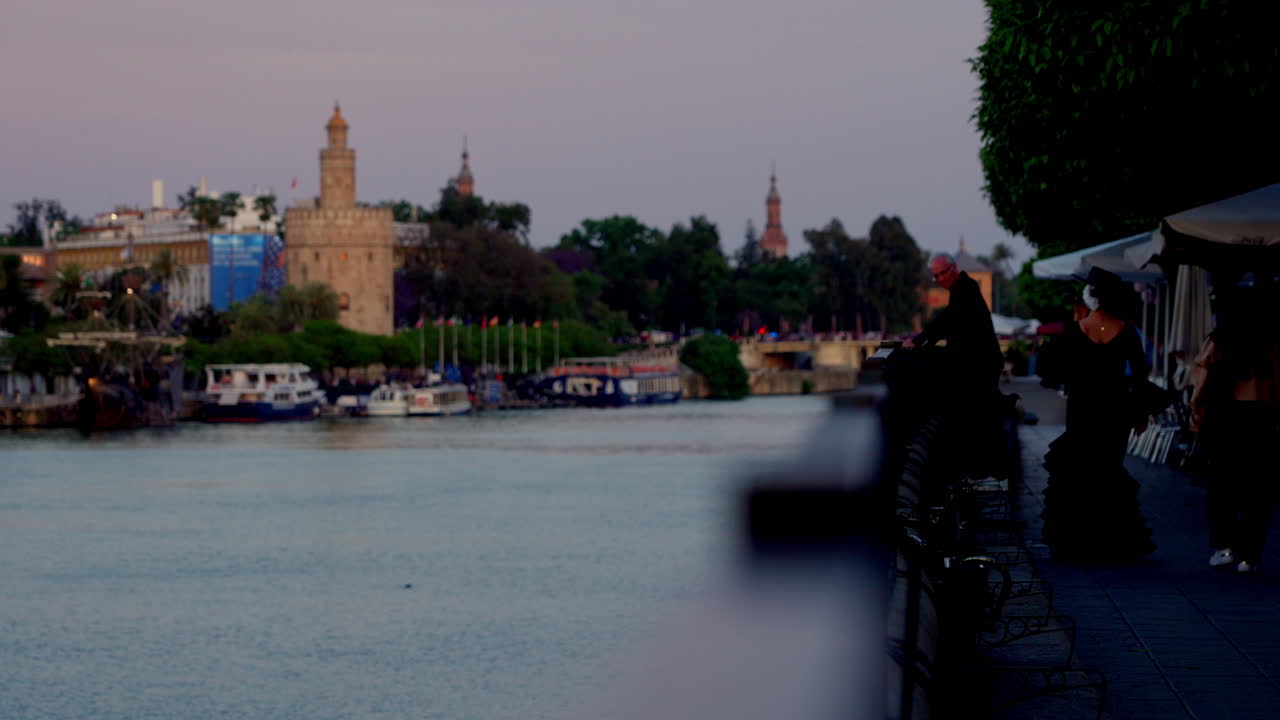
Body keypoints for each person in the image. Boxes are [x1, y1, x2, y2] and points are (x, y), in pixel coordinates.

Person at [1039, 267, 1156, 563]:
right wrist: (1141, 414)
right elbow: (1141, 375)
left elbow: (1054, 370)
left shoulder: (1073, 331)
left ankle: (1079, 541)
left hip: (1083, 408)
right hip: (1115, 410)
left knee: (1078, 472)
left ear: (1089, 296)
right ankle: (1112, 541)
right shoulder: (1127, 331)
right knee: (1108, 469)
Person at [1189, 280, 1280, 573]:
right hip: (1261, 418)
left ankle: (1225, 546)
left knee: (1222, 485)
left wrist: (1197, 414)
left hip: (1224, 417)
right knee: (1257, 489)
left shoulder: (1219, 340)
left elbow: (1201, 381)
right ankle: (1250, 555)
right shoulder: (1271, 343)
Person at [906, 253, 1009, 478]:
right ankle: (986, 466)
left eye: (943, 273)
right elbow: (953, 324)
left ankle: (987, 467)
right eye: (936, 276)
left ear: (953, 269)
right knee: (981, 412)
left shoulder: (965, 288)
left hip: (981, 363)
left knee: (980, 413)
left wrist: (919, 340)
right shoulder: (962, 289)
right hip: (979, 361)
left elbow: (949, 319)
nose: (941, 279)